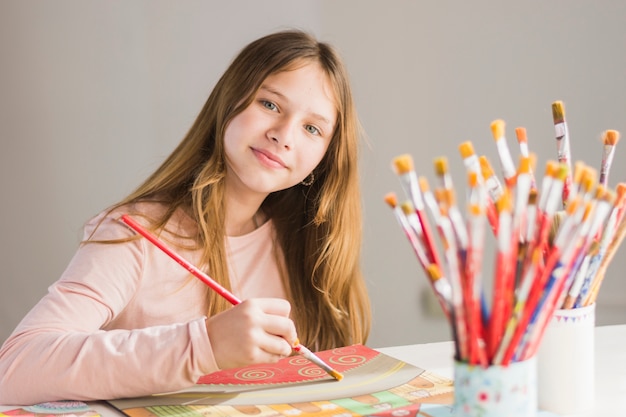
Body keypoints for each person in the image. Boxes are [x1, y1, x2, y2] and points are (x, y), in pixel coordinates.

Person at [0, 29, 371, 404]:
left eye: (312, 128)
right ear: (229, 103)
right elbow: (13, 369)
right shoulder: (136, 235)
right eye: (270, 104)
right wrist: (203, 344)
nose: (284, 135)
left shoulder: (310, 246)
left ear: (324, 158)